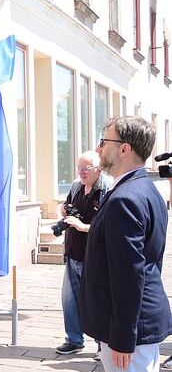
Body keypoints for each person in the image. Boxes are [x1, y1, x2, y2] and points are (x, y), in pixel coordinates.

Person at [77, 116, 172, 372]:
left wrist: (122, 337)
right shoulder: (142, 189)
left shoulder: (127, 198)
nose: (99, 148)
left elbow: (129, 276)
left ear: (125, 148)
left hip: (131, 325)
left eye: (105, 141)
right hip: (141, 322)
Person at [55, 150, 111, 355]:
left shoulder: (108, 188)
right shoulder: (76, 186)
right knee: (69, 300)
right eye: (79, 168)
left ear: (98, 169)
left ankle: (102, 344)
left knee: (96, 301)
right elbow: (69, 207)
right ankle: (75, 339)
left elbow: (108, 224)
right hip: (73, 252)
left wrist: (83, 226)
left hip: (95, 256)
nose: (81, 172)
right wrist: (64, 210)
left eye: (85, 169)